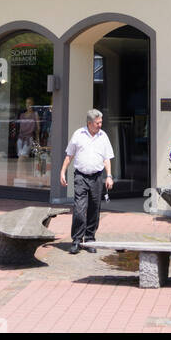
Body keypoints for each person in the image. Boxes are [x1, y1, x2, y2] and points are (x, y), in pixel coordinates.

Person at [60, 108, 114, 254]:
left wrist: (109, 175)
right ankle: (77, 240)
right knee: (79, 209)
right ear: (89, 123)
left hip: (96, 177)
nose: (100, 125)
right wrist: (62, 171)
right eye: (97, 123)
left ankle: (90, 239)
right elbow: (69, 155)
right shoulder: (78, 135)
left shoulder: (103, 136)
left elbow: (106, 158)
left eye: (101, 122)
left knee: (94, 209)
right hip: (80, 177)